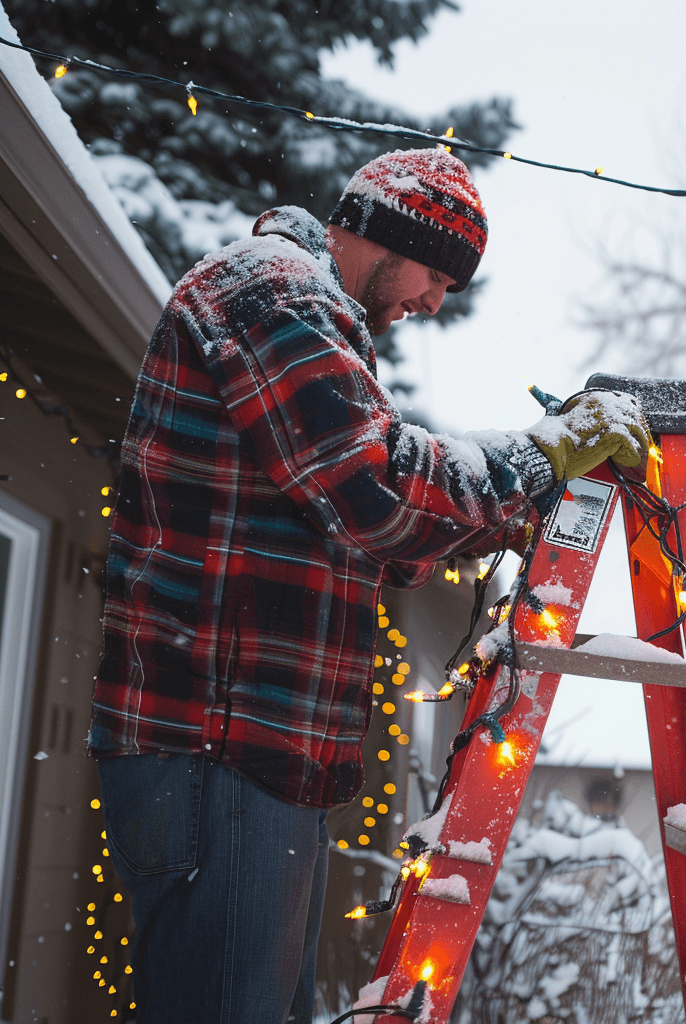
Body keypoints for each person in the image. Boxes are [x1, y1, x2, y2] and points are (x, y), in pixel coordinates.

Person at [88, 147, 649, 1024]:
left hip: (247, 755)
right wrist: (541, 454)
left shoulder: (300, 309)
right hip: (220, 749)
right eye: (436, 274)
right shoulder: (273, 293)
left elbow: (372, 538)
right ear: (388, 236)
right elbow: (381, 491)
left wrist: (506, 513)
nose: (433, 301)